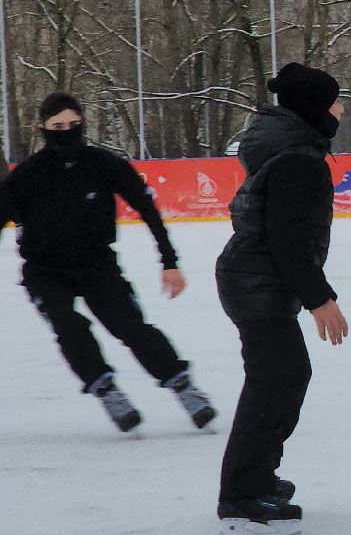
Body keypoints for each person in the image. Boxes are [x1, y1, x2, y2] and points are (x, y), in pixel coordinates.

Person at [0, 92, 215, 432]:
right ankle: (106, 389)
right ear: (42, 127)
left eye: (73, 124)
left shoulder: (103, 164)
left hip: (98, 265)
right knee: (68, 325)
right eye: (58, 126)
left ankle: (183, 386)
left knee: (129, 326)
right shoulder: (27, 176)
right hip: (45, 272)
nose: (66, 131)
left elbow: (147, 209)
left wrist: (169, 261)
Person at [213, 63, 350, 535]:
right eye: (335, 102)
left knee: (283, 376)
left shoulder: (292, 150)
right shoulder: (298, 160)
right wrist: (321, 299)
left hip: (254, 279)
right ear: (314, 108)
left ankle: (255, 479)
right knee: (277, 379)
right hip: (258, 282)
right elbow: (287, 241)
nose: (340, 110)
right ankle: (242, 499)